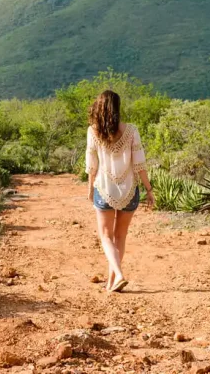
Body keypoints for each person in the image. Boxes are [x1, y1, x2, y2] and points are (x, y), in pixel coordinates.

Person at [85, 90, 154, 293]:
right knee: (120, 237)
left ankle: (118, 275)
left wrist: (90, 189)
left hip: (104, 190)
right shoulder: (132, 130)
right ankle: (111, 281)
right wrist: (149, 190)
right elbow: (140, 164)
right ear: (117, 107)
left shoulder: (93, 131)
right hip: (129, 190)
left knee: (106, 236)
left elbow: (92, 165)